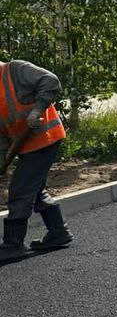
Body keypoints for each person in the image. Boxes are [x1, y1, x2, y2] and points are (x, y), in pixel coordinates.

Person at [0, 58, 71, 262]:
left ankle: (13, 245)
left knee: (20, 191)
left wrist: (37, 110)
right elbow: (2, 134)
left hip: (46, 138)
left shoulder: (15, 70)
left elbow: (51, 80)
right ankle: (58, 233)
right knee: (35, 190)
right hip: (25, 147)